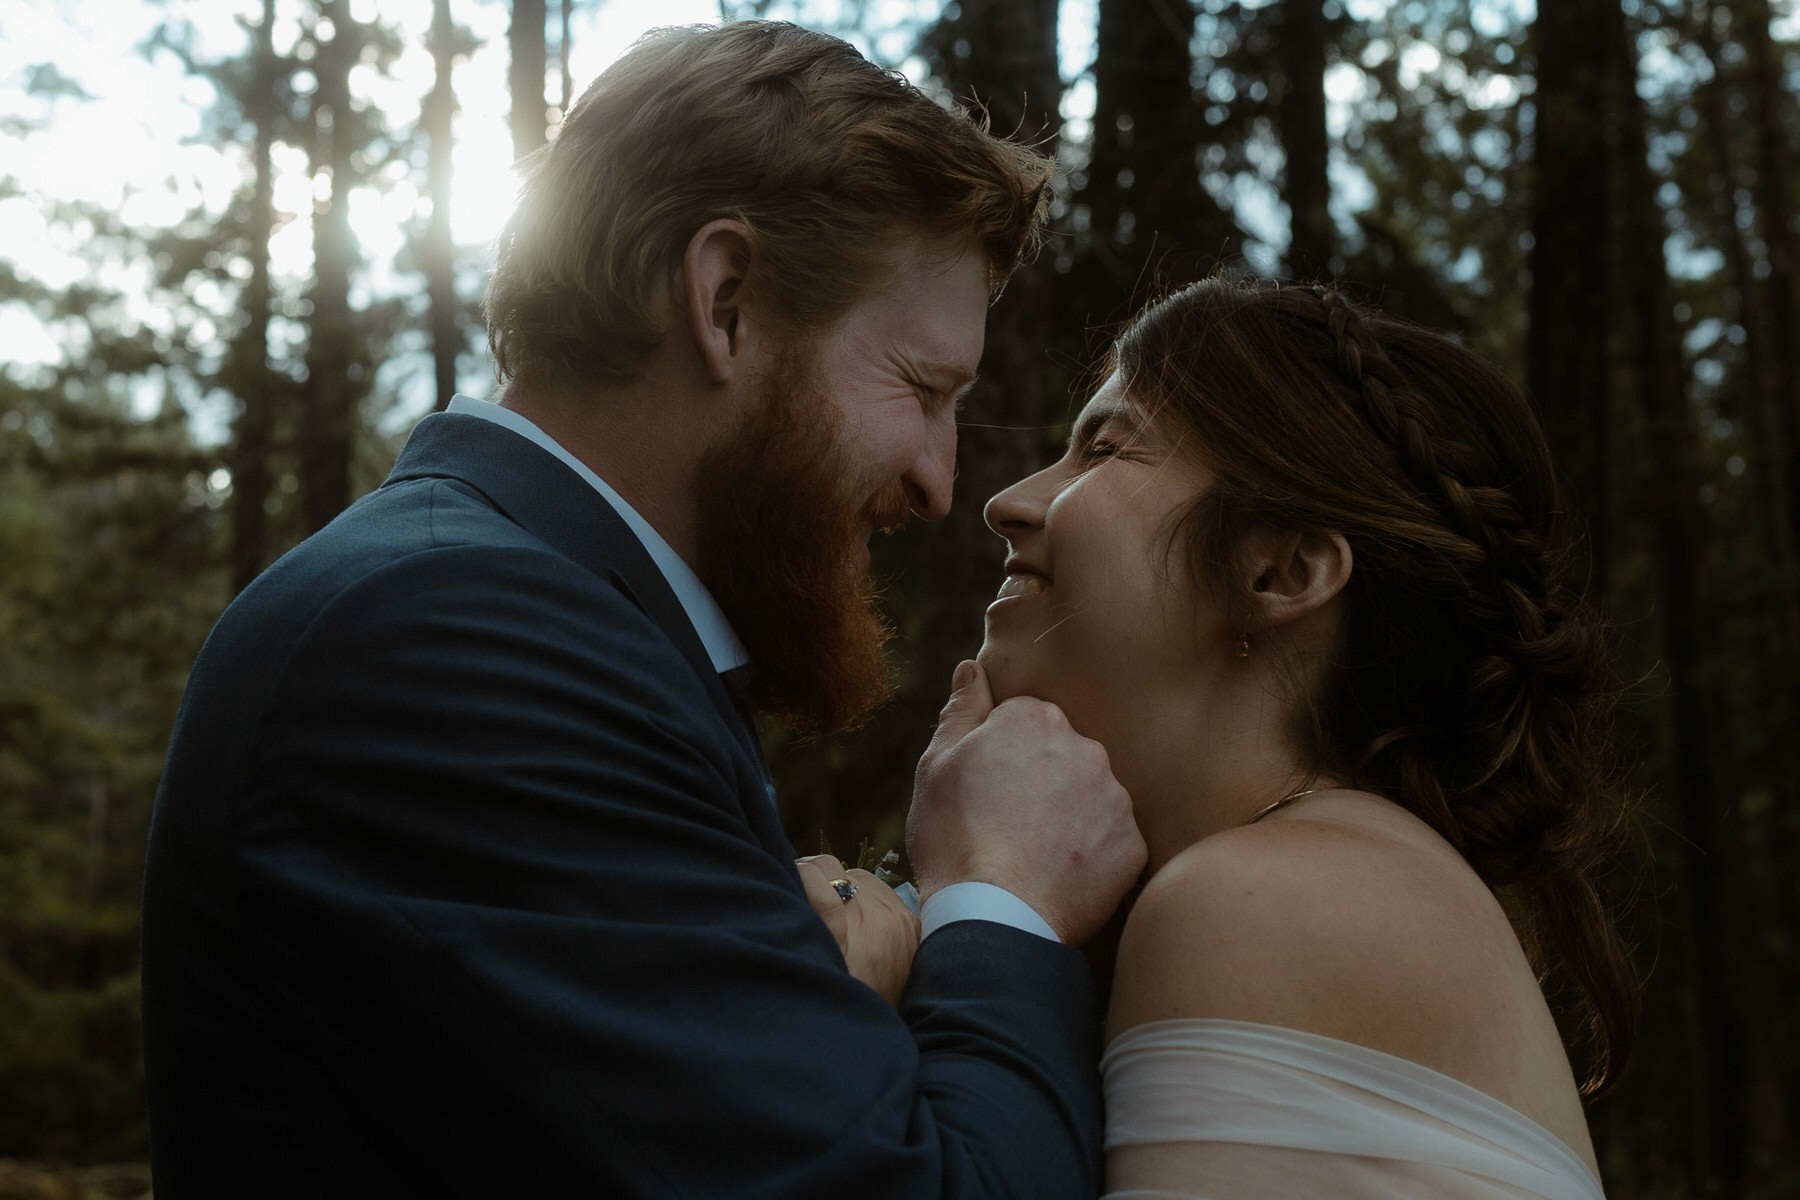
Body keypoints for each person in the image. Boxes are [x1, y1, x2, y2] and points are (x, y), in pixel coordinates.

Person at [140, 21, 1145, 1197]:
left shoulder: (527, 618)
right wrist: (1004, 903)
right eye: (922, 389)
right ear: (723, 303)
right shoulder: (456, 646)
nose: (938, 481)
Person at [978, 277, 1636, 1199]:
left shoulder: (1265, 899)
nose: (1007, 501)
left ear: (1284, 571)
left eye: (1108, 447)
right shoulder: (1316, 877)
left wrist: (971, 925)